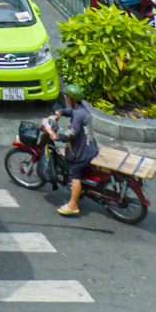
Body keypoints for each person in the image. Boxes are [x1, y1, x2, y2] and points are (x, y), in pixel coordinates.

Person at [44, 84, 99, 216]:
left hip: (80, 153)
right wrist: (59, 113)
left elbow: (71, 134)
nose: (66, 98)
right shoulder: (82, 110)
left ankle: (72, 205)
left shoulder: (77, 116)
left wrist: (56, 136)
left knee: (74, 173)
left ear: (72, 99)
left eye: (66, 96)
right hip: (90, 148)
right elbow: (70, 112)